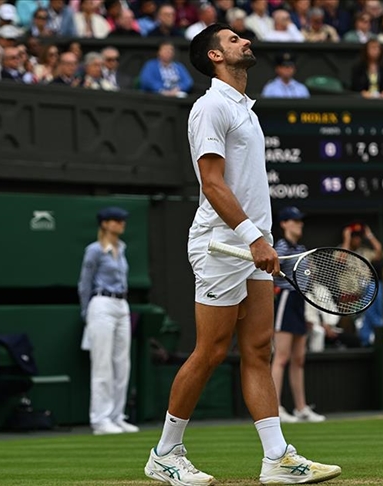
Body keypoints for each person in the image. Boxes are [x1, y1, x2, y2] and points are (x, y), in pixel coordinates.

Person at [144, 23, 341, 486]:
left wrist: (258, 240)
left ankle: (277, 458)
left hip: (252, 245)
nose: (244, 41)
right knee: (211, 351)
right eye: (233, 39)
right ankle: (165, 454)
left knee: (257, 349)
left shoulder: (244, 110)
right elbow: (212, 184)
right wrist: (254, 238)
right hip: (221, 244)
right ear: (214, 56)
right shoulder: (210, 106)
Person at [78, 206, 139, 436]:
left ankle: (116, 416)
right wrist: (87, 313)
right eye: (116, 220)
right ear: (104, 223)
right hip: (101, 303)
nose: (121, 224)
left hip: (122, 304)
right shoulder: (94, 250)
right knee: (102, 364)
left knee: (122, 364)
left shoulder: (122, 248)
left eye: (122, 220)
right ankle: (100, 419)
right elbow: (84, 283)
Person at [270, 206, 325, 424]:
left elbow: (308, 278)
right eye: (294, 220)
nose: (299, 224)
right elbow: (271, 273)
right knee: (281, 357)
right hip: (286, 299)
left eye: (300, 221)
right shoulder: (280, 247)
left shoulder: (301, 248)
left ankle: (301, 408)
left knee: (299, 359)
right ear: (284, 224)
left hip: (301, 301)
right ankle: (275, 408)